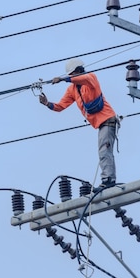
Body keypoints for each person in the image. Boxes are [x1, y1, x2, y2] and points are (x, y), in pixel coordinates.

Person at [38, 58, 119, 192]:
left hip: (107, 120)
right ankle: (108, 179)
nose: (71, 77)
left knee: (104, 151)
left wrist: (63, 79)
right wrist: (47, 104)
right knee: (103, 151)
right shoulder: (72, 90)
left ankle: (108, 180)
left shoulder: (91, 79)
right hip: (100, 124)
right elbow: (60, 106)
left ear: (79, 71)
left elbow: (84, 78)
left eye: (73, 74)